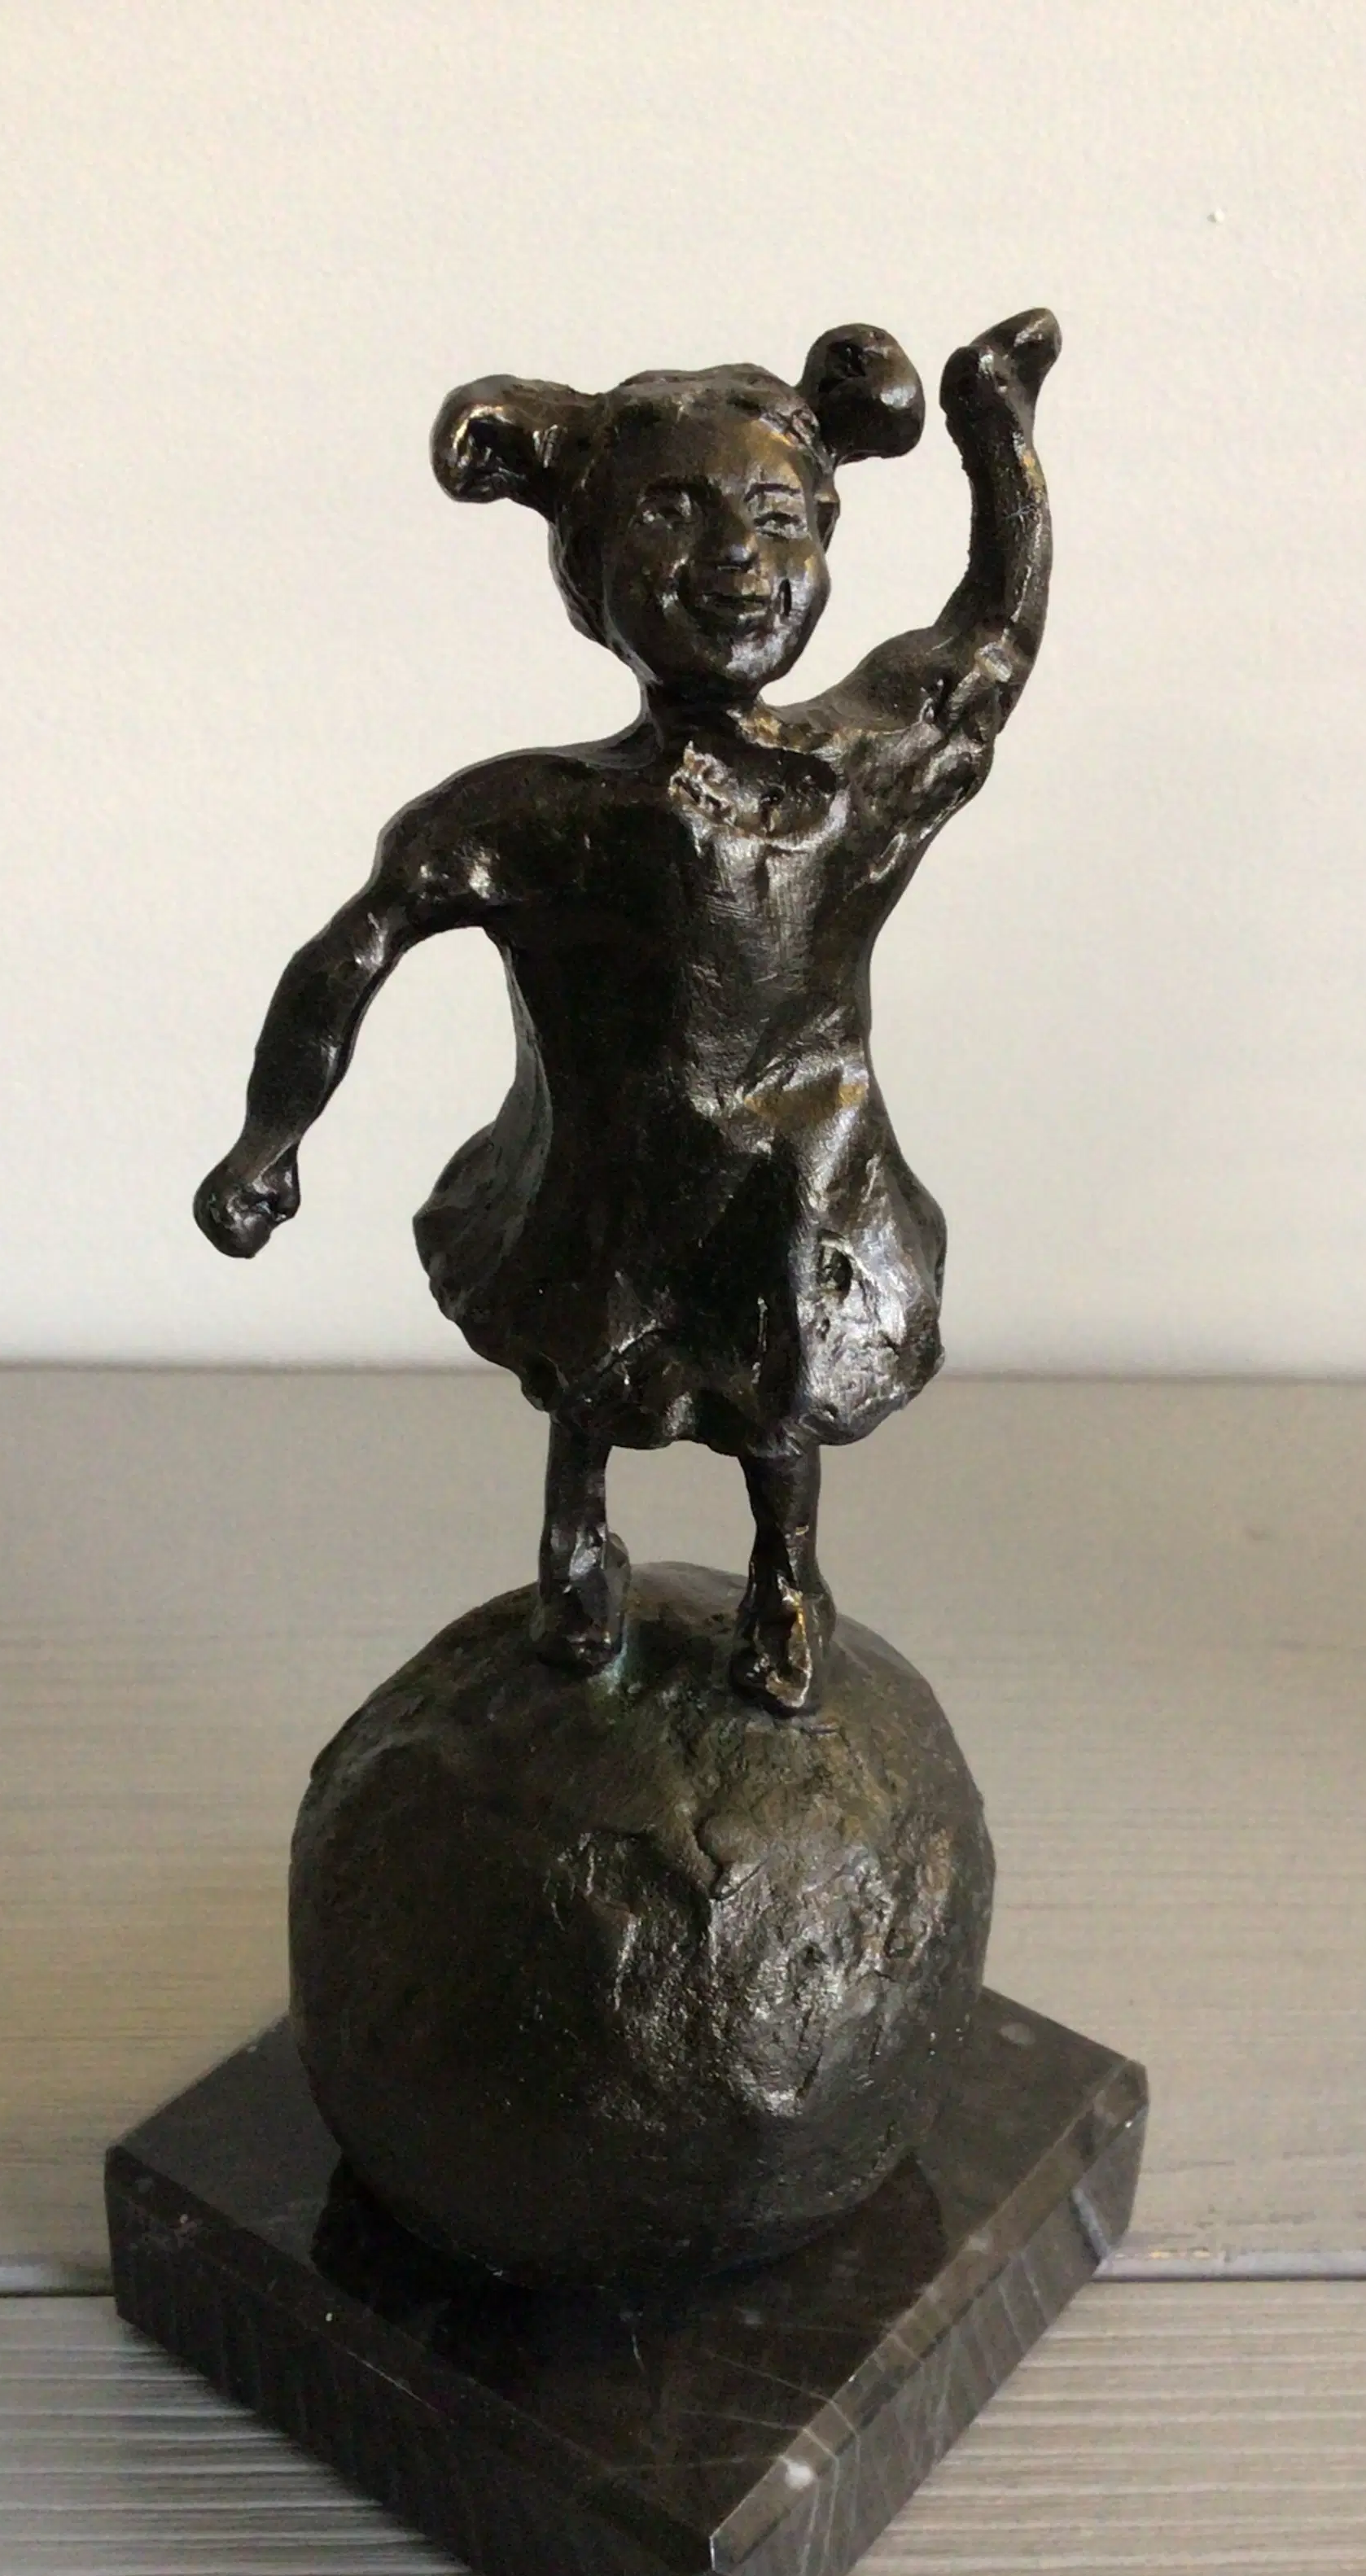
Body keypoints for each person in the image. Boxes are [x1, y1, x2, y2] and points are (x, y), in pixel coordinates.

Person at [196, 308, 1057, 1714]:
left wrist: (996, 432)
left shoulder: (852, 777)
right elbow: (353, 950)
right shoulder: (539, 818)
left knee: (781, 1382)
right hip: (607, 1166)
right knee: (587, 1367)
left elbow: (992, 646)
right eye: (671, 513)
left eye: (776, 517)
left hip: (796, 1168)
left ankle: (787, 1572)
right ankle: (577, 1541)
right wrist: (266, 1143)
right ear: (589, 568)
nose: (736, 559)